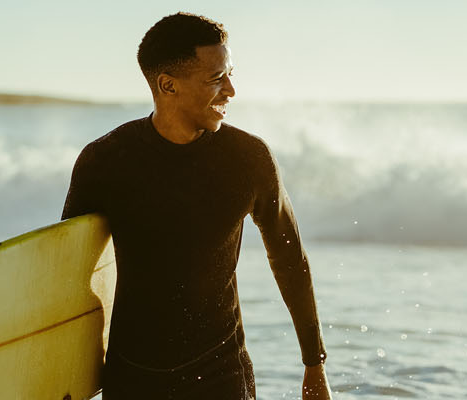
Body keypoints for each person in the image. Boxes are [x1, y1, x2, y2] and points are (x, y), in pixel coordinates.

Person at [60, 12, 330, 399]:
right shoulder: (105, 161)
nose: (232, 91)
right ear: (167, 85)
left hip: (222, 373)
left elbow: (290, 259)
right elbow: (72, 278)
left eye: (231, 73)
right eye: (216, 79)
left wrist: (314, 365)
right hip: (133, 378)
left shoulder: (248, 158)